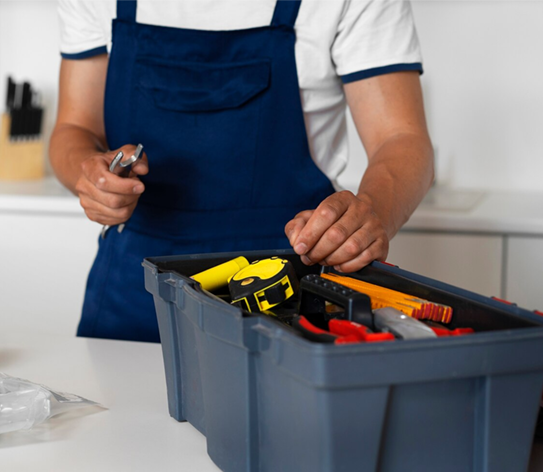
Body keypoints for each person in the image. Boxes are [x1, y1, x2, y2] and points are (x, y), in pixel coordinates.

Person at [50, 0, 434, 343]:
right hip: (135, 286)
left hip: (291, 285)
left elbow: (400, 137)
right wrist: (89, 176)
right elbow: (73, 129)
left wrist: (372, 212)